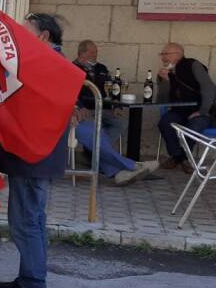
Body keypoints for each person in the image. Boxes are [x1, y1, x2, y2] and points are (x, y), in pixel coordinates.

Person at [0, 13, 71, 288]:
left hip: (32, 154)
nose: (19, 37)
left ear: (43, 36)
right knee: (33, 219)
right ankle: (32, 276)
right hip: (36, 153)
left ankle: (33, 282)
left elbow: (26, 110)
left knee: (25, 220)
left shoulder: (46, 64)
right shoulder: (56, 63)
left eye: (25, 31)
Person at [71, 40, 157, 184]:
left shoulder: (101, 68)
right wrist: (78, 107)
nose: (96, 54)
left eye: (96, 51)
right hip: (84, 112)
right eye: (93, 52)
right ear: (83, 52)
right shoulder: (71, 68)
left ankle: (97, 155)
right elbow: (68, 93)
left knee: (120, 123)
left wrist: (116, 106)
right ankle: (132, 166)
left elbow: (113, 89)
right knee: (94, 132)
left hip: (102, 109)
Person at [157, 42, 215, 172]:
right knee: (165, 122)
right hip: (178, 111)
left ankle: (179, 157)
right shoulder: (165, 73)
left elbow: (209, 89)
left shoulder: (193, 65)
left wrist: (202, 111)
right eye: (162, 54)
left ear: (178, 54)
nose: (163, 58)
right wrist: (165, 81)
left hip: (199, 110)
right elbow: (162, 100)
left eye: (166, 54)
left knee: (194, 126)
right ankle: (180, 157)